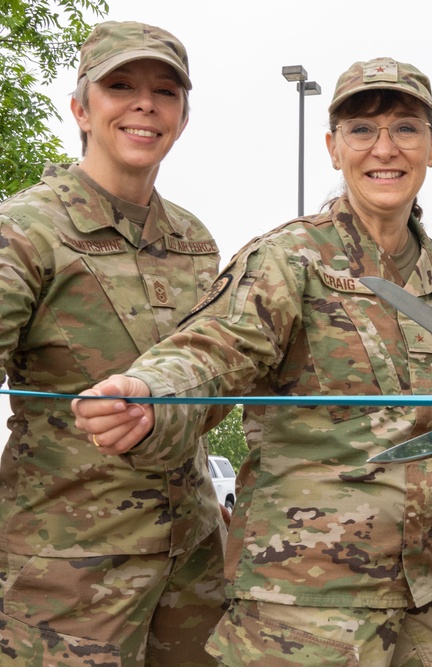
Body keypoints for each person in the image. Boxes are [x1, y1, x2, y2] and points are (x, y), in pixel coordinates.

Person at [72, 57, 432, 667]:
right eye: (362, 131)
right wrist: (150, 392)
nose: (384, 148)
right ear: (333, 148)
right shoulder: (290, 261)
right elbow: (215, 350)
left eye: (405, 129)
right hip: (305, 605)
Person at [0, 21, 226, 666]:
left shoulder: (193, 239)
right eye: (119, 85)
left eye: (166, 91)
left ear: (182, 115)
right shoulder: (25, 231)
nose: (144, 104)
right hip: (68, 574)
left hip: (191, 567)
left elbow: (218, 380)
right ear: (80, 108)